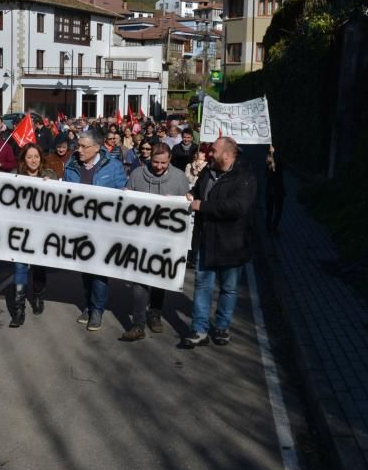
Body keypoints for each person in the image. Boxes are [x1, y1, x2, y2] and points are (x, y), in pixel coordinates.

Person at [182, 136, 256, 348]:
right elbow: (199, 191)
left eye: (213, 150)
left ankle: (222, 327)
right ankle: (199, 330)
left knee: (229, 288)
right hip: (206, 241)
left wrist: (202, 206)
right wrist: (191, 193)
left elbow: (237, 207)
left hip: (232, 244)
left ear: (227, 154)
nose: (209, 153)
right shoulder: (208, 170)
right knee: (202, 286)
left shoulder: (245, 177)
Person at [121, 143, 190, 341]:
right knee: (139, 281)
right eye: (155, 162)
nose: (159, 166)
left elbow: (186, 209)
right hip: (140, 237)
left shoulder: (179, 178)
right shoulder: (136, 175)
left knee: (159, 279)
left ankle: (155, 314)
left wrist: (182, 200)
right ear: (149, 158)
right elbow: (127, 201)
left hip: (166, 239)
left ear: (170, 161)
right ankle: (138, 324)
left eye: (163, 163)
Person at [63, 128, 128, 331]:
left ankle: (97, 309)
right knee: (85, 270)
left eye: (83, 146)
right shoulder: (71, 166)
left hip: (103, 228)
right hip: (81, 228)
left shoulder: (114, 166)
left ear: (97, 147)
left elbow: (122, 193)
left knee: (99, 271)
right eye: (78, 145)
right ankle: (89, 304)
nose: (79, 150)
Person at [9, 143, 59, 327]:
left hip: (41, 231)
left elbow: (59, 200)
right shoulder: (15, 176)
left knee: (38, 267)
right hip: (20, 231)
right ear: (23, 159)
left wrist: (50, 186)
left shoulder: (50, 175)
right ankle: (18, 309)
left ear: (41, 158)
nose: (33, 160)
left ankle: (38, 296)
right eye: (29, 157)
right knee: (20, 268)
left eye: (36, 156)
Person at [265, 145, 285, 235]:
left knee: (275, 210)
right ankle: (271, 228)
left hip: (276, 188)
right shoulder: (270, 160)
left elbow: (279, 176)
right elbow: (270, 173)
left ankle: (272, 228)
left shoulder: (274, 159)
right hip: (273, 189)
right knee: (273, 210)